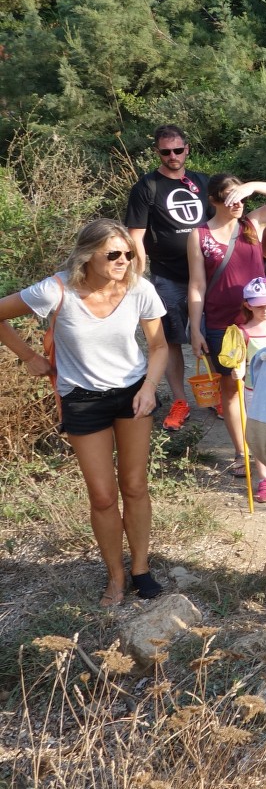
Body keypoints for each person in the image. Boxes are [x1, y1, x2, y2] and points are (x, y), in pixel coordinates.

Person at [0, 219, 169, 605]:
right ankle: (115, 578)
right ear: (87, 255)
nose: (123, 260)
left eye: (127, 253)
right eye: (112, 254)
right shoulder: (55, 289)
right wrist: (27, 357)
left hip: (133, 394)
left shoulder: (138, 288)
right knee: (104, 496)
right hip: (82, 399)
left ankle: (141, 568)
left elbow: (159, 347)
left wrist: (148, 389)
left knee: (136, 485)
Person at [187, 174, 266, 484]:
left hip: (262, 321)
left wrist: (253, 186)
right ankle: (243, 454)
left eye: (240, 198)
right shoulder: (199, 236)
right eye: (229, 198)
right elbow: (196, 284)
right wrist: (195, 329)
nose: (237, 204)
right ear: (213, 201)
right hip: (221, 323)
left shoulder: (253, 225)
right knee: (232, 389)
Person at [124, 125, 209, 432]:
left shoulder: (201, 182)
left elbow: (219, 224)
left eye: (177, 150)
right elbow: (136, 237)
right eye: (165, 151)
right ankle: (179, 399)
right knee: (171, 340)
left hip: (207, 275)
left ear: (187, 149)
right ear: (157, 152)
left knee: (212, 334)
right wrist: (138, 278)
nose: (172, 156)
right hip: (167, 276)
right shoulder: (147, 186)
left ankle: (218, 396)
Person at [236, 276, 266, 502]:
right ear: (248, 304)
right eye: (260, 305)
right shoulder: (242, 332)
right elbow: (235, 358)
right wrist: (236, 369)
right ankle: (264, 478)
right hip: (254, 390)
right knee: (259, 433)